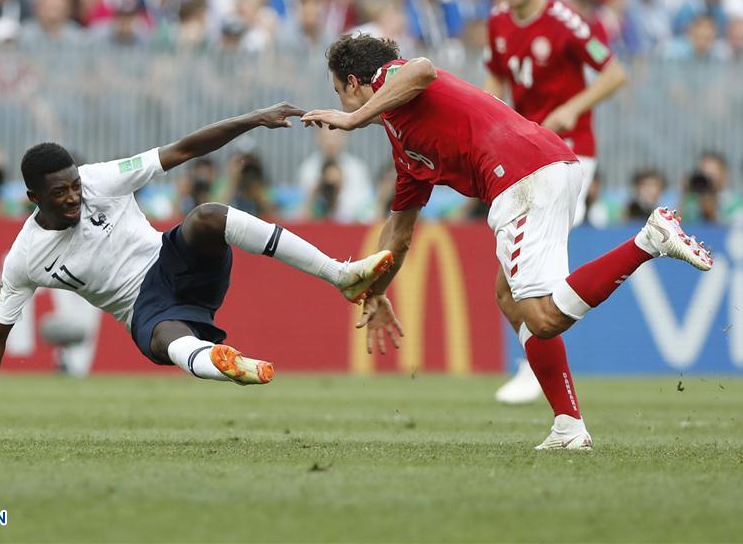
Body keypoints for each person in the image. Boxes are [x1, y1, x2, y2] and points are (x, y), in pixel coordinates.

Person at [301, 33, 712, 450]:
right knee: (509, 297)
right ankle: (568, 426)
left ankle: (649, 240)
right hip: (547, 165)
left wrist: (354, 119)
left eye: (338, 93)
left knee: (544, 318)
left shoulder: (392, 78)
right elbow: (399, 234)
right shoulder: (406, 150)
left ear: (353, 83)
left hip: (521, 177)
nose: (341, 105)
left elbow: (421, 69)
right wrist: (377, 290)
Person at [0, 103, 393, 443]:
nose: (73, 197)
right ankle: (225, 363)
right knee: (166, 339)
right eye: (59, 192)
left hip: (174, 260)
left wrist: (253, 119)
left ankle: (340, 275)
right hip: (143, 307)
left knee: (208, 216)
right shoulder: (25, 257)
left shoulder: (101, 179)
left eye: (75, 185)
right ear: (33, 197)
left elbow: (183, 149)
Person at [483, 0, 627, 405]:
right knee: (507, 288)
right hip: (526, 154)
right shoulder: (497, 21)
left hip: (569, 154)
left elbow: (614, 73)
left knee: (518, 281)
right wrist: (491, 115)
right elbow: (495, 76)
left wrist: (572, 108)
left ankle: (537, 368)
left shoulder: (566, 20)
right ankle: (538, 365)